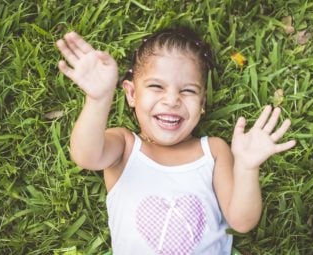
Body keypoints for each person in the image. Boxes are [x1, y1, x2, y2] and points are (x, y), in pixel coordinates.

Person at [56, 26, 296, 255]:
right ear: (131, 93)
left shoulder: (213, 151)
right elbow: (86, 156)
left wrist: (246, 167)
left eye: (188, 91)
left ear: (202, 104)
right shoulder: (125, 146)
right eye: (156, 86)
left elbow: (242, 222)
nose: (172, 100)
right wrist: (99, 99)